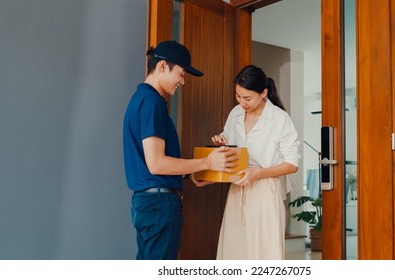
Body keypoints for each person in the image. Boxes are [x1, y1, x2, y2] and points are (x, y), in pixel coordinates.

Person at [123, 40, 238, 260]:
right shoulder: (152, 102)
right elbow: (157, 163)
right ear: (163, 66)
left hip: (146, 204)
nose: (183, 82)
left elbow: (151, 163)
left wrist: (189, 173)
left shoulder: (140, 99)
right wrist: (207, 163)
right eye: (182, 74)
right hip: (159, 206)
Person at [211, 65, 300, 259]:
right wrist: (222, 140)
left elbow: (292, 164)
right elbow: (229, 137)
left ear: (264, 93)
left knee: (263, 252)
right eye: (238, 96)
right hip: (237, 186)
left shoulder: (279, 118)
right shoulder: (235, 113)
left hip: (265, 187)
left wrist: (257, 173)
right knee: (234, 250)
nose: (242, 102)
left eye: (247, 98)